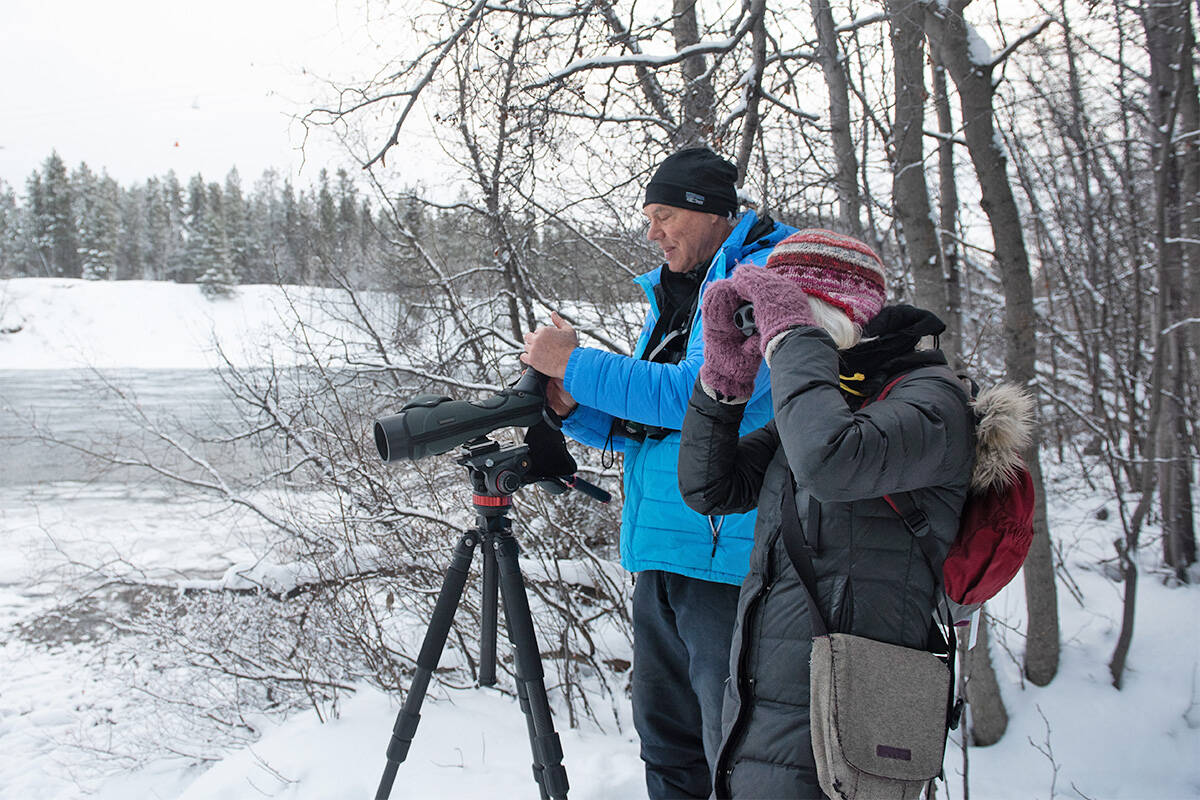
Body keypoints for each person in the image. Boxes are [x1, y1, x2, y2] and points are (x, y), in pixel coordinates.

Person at [520, 147, 795, 799]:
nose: (652, 232)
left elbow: (691, 394)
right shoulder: (681, 295)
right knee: (669, 752)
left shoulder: (758, 281)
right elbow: (658, 427)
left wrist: (574, 362)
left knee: (732, 754)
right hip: (665, 551)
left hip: (727, 561)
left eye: (665, 213)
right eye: (648, 216)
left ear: (709, 213)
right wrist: (572, 406)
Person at [677, 229, 979, 799]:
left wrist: (792, 337)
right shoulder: (832, 402)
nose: (764, 332)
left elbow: (829, 464)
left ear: (826, 315)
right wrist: (724, 381)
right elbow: (710, 488)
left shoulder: (931, 403)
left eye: (775, 315)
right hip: (764, 712)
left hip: (852, 725)